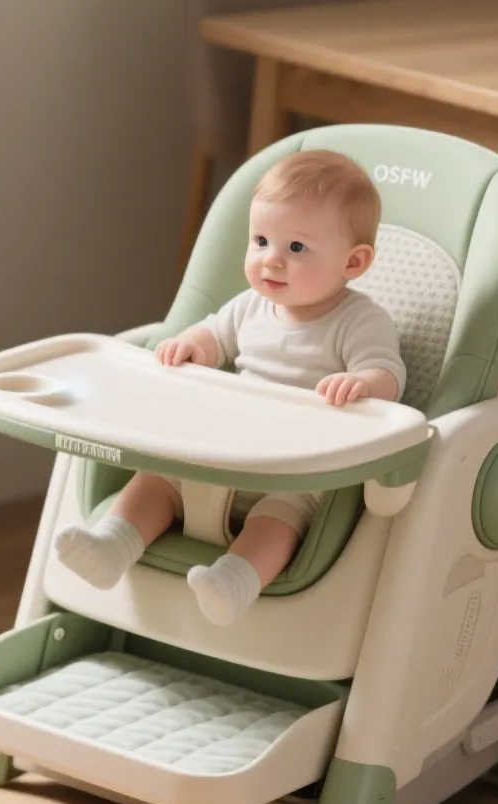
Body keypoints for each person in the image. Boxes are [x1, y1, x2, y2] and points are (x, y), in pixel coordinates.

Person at [55, 149, 407, 624]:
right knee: (158, 480)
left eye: (296, 248)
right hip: (222, 453)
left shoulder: (359, 321)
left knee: (278, 522)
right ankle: (112, 547)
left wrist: (362, 383)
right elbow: (212, 336)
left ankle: (234, 581)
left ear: (355, 261)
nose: (271, 261)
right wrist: (188, 345)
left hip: (293, 471)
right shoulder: (248, 307)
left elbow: (388, 374)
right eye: (261, 240)